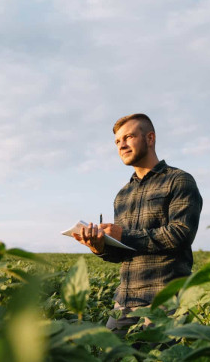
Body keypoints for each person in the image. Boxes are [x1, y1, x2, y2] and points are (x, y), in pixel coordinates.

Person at [73, 113, 203, 334]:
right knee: (111, 361)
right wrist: (100, 247)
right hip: (124, 301)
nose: (121, 145)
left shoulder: (179, 180)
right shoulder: (122, 195)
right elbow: (124, 253)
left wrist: (123, 234)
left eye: (129, 137)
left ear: (150, 138)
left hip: (166, 299)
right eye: (117, 141)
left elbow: (180, 233)